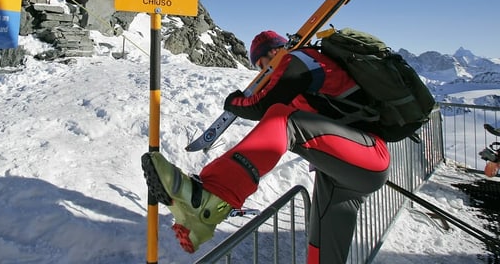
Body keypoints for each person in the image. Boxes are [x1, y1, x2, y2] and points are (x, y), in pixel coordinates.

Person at [142, 30, 391, 264]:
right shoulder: (304, 79)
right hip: (344, 171)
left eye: (261, 66)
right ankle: (198, 225)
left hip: (368, 153)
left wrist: (234, 102)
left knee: (285, 120)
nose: (262, 74)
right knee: (322, 250)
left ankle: (212, 199)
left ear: (272, 53)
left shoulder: (301, 58)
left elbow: (264, 106)